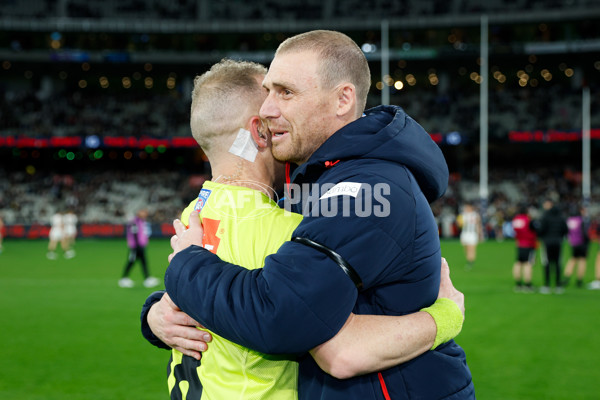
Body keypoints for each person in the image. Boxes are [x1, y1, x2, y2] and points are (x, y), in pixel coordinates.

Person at [163, 30, 474, 399]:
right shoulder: (312, 179)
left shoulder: (370, 188)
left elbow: (306, 329)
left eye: (286, 92)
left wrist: (185, 267)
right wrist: (160, 313)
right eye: (269, 91)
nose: (266, 109)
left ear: (343, 99)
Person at [119, 208, 160, 288]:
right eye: (143, 212)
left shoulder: (142, 221)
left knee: (143, 262)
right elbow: (134, 234)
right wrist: (137, 246)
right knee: (131, 261)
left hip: (140, 246)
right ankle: (124, 279)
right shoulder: (134, 222)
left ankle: (147, 278)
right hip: (135, 247)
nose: (145, 213)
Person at [534, 199, 568, 294]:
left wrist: (542, 237)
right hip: (558, 242)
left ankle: (547, 285)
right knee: (557, 263)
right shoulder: (561, 216)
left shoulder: (545, 217)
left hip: (547, 243)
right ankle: (558, 286)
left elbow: (540, 230)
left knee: (547, 263)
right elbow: (565, 229)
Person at [512, 205, 538, 292]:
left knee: (518, 263)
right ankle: (528, 284)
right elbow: (534, 230)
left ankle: (518, 284)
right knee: (528, 264)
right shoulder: (528, 220)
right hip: (529, 244)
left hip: (519, 243)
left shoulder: (516, 219)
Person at [562, 205, 590, 288]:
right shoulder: (581, 220)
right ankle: (579, 280)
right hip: (582, 243)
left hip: (573, 243)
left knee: (572, 259)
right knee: (582, 261)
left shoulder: (569, 220)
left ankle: (566, 277)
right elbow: (584, 233)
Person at [458, 202, 484, 270]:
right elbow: (460, 225)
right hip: (464, 233)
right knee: (466, 249)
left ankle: (470, 263)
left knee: (471, 249)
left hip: (472, 234)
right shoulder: (463, 215)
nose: (466, 208)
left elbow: (478, 225)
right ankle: (469, 261)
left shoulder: (475, 215)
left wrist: (480, 235)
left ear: (471, 207)